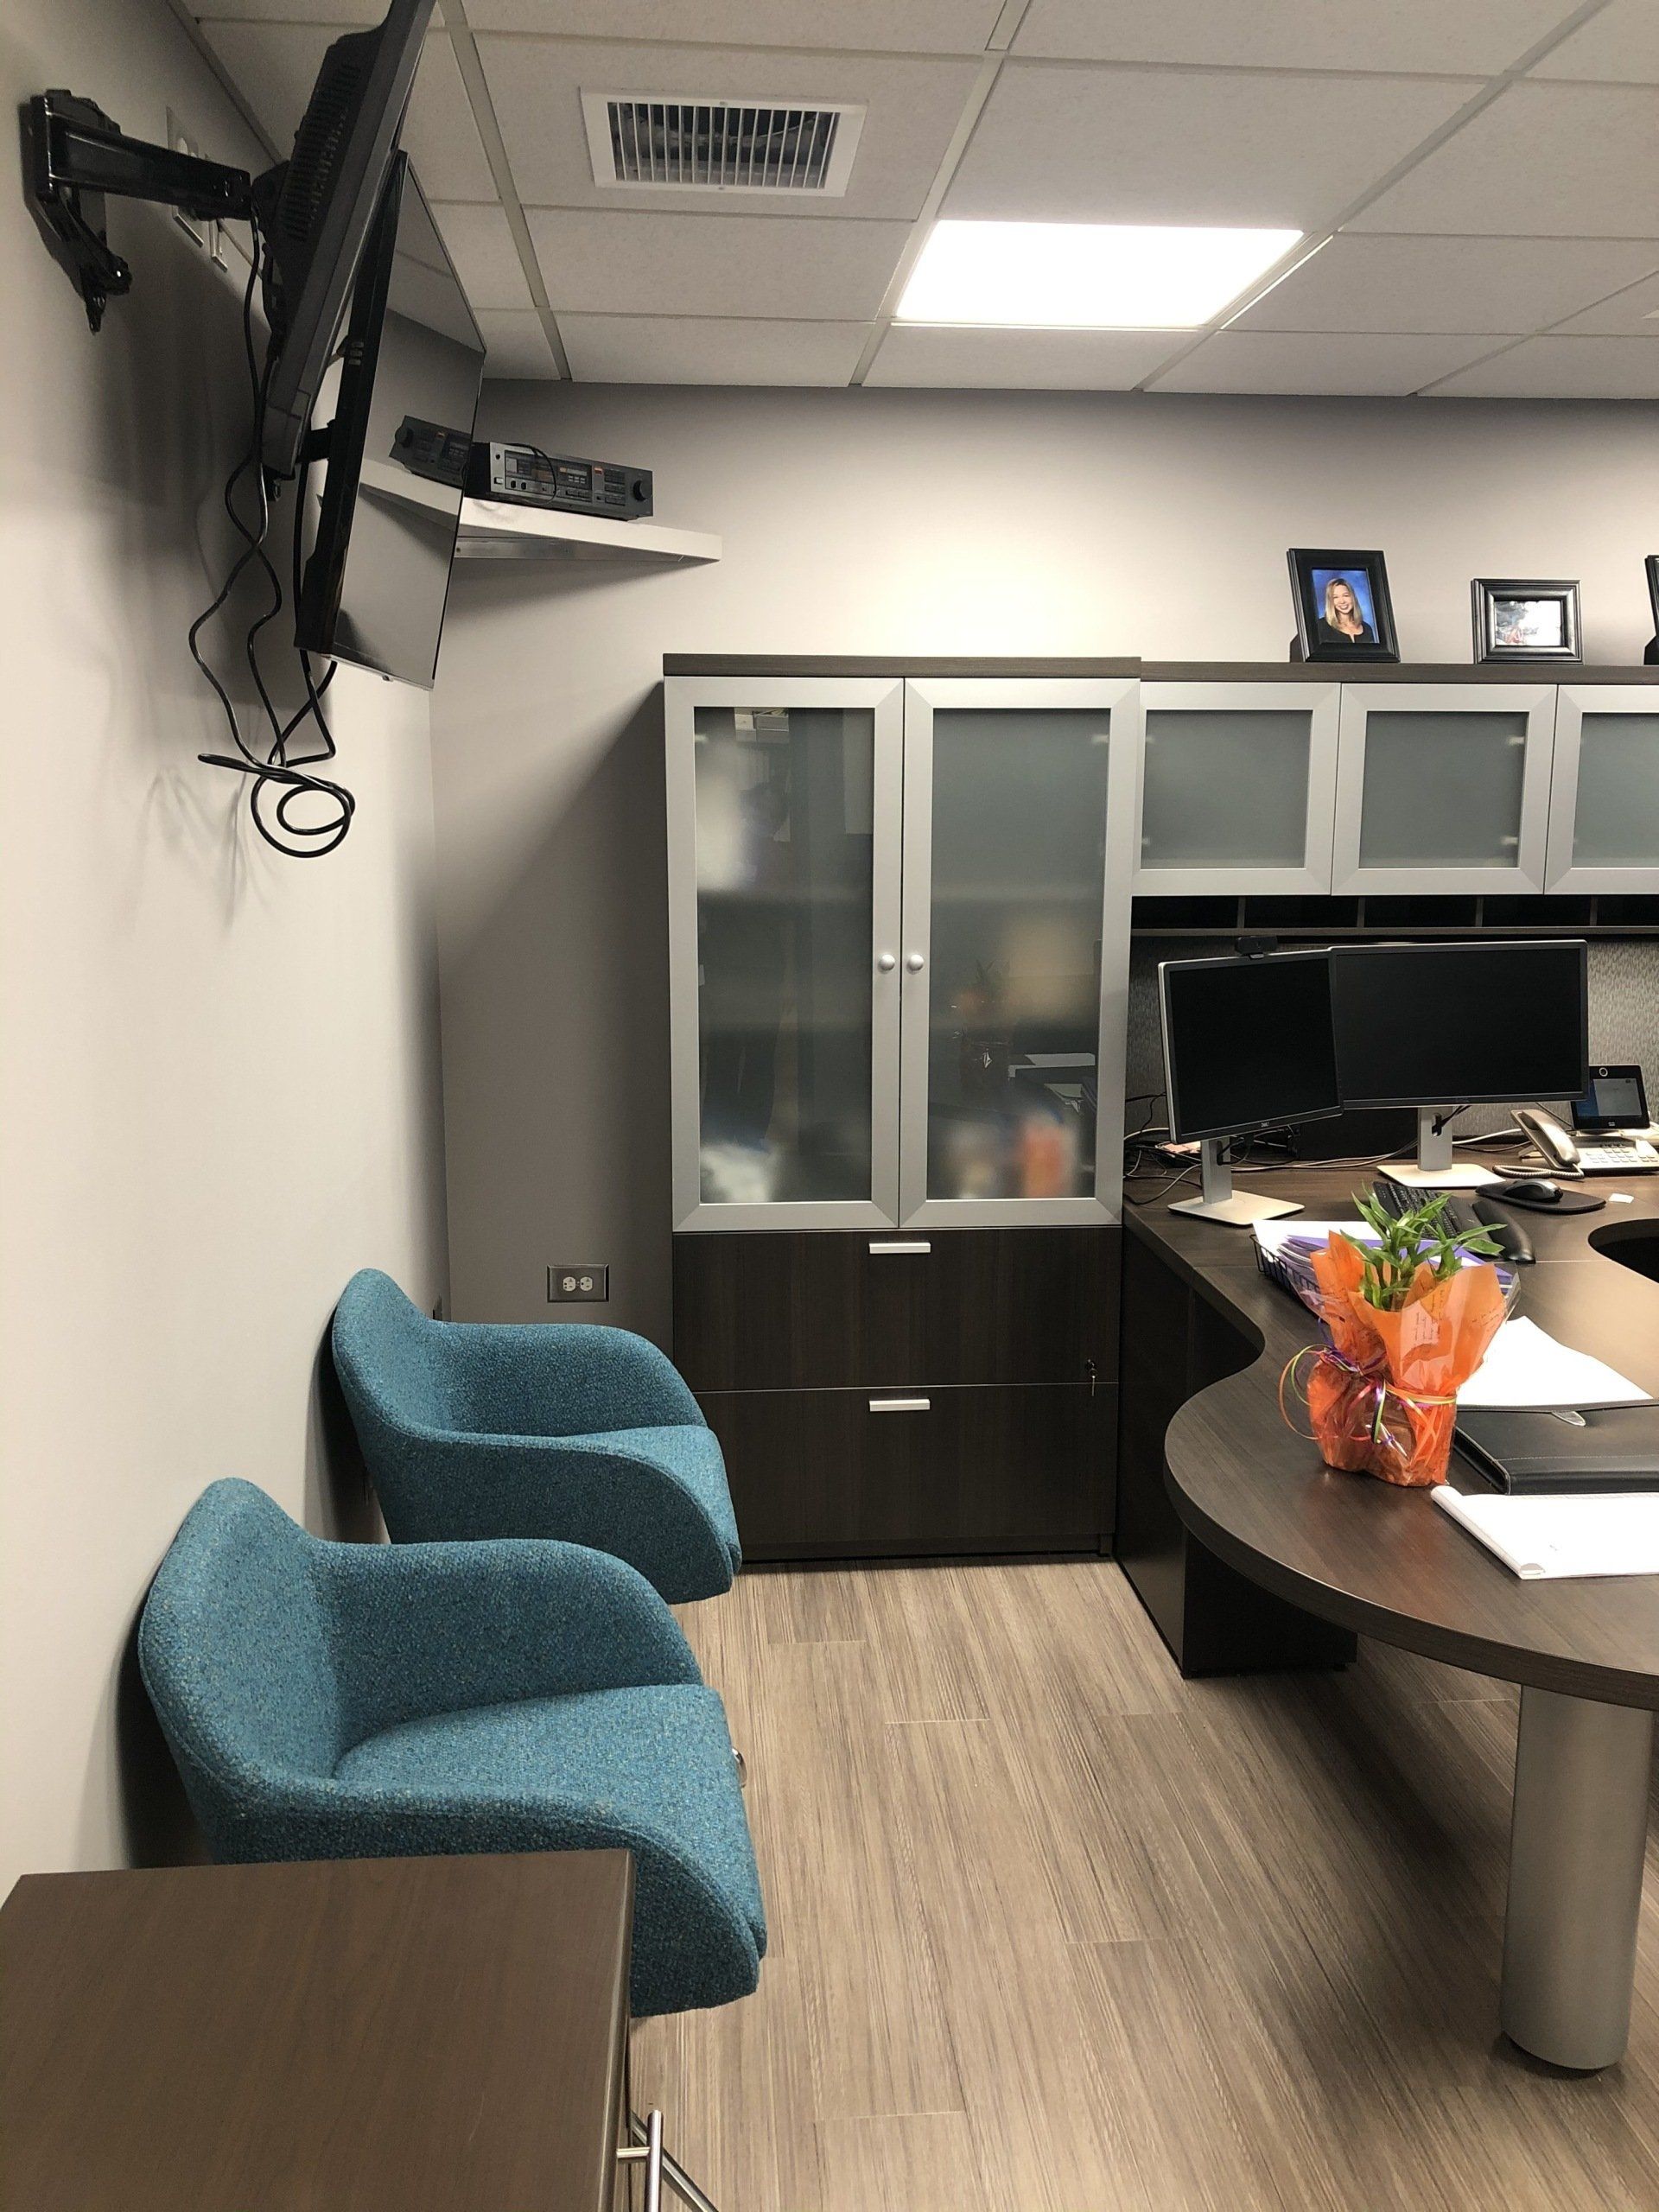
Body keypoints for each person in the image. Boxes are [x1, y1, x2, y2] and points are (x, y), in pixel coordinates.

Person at [1315, 574, 1376, 648]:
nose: (1342, 601)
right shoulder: (1321, 626)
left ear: (1353, 597)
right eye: (1335, 597)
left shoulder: (1367, 628)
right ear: (1330, 601)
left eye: (1346, 595)